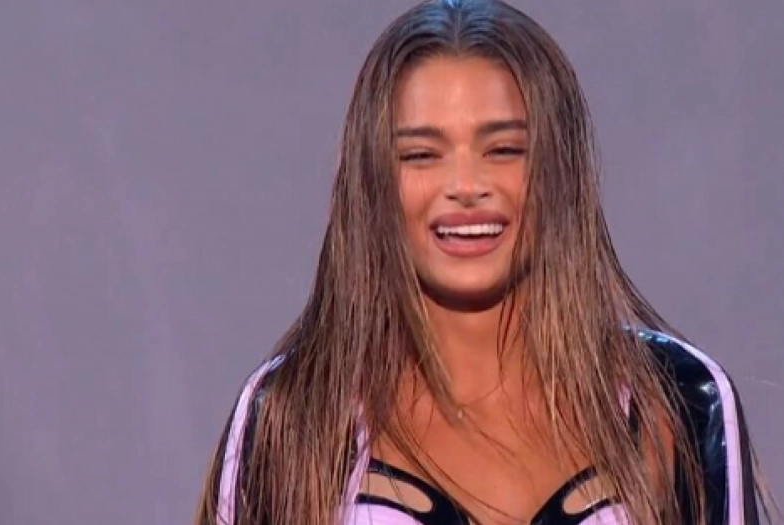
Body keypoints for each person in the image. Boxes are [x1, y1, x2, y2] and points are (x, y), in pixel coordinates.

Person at [193, 1, 775, 524]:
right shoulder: (294, 414)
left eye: (504, 150)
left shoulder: (678, 402)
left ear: (558, 172)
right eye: (421, 154)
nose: (466, 186)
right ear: (372, 183)